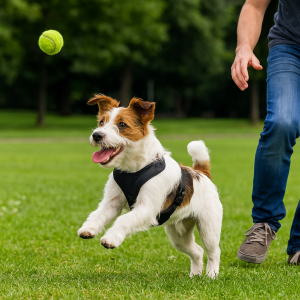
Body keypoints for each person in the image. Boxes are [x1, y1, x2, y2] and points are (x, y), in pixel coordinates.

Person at [231, 0, 300, 265]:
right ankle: (264, 224)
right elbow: (255, 5)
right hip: (290, 47)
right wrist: (244, 46)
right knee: (282, 122)